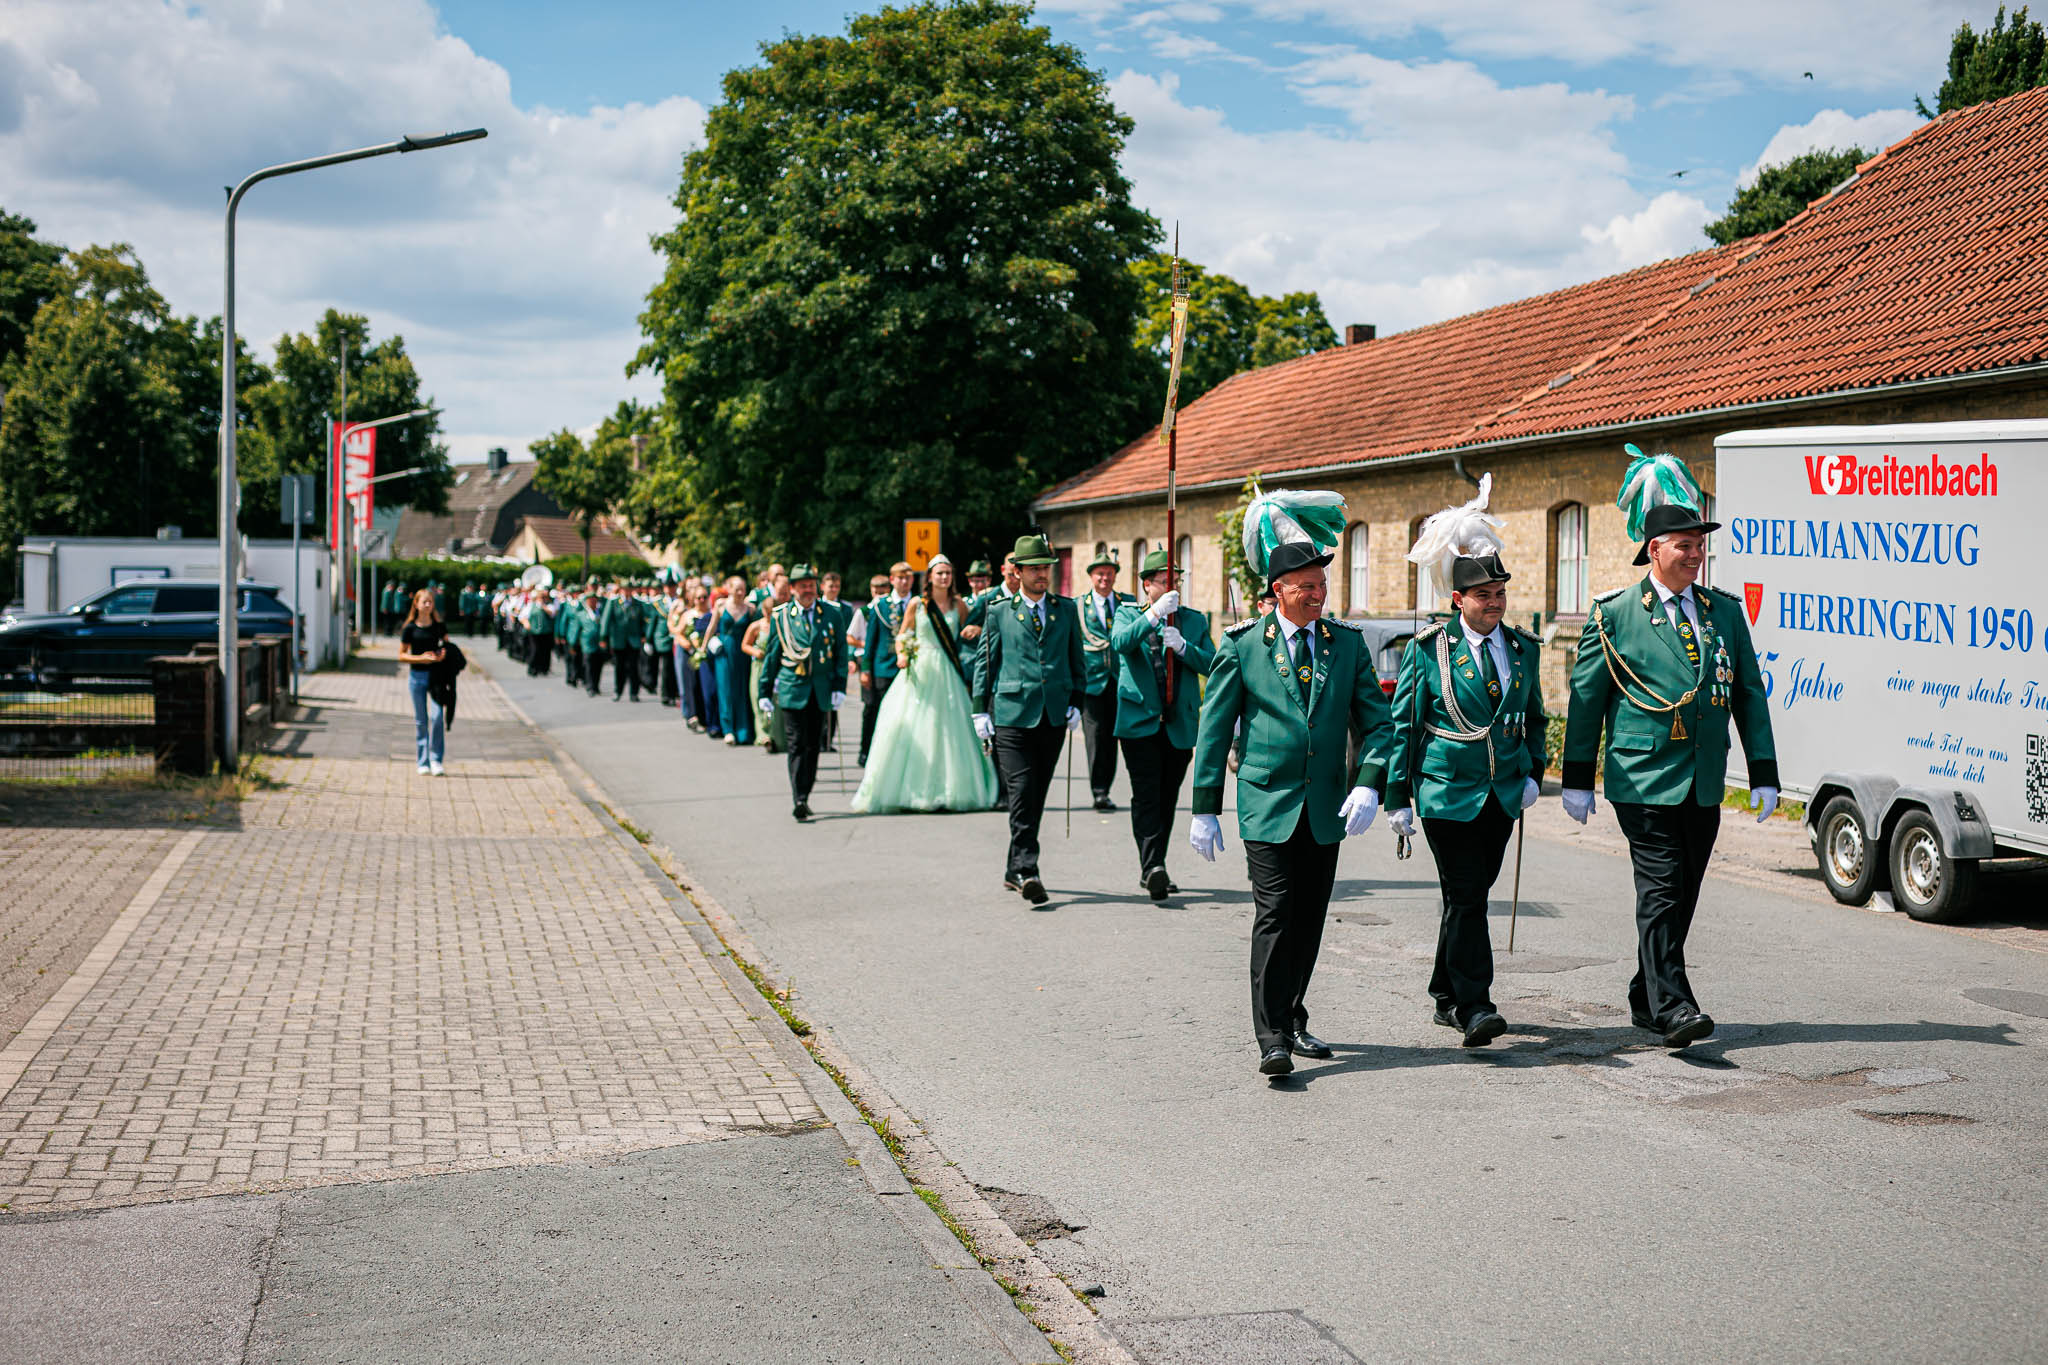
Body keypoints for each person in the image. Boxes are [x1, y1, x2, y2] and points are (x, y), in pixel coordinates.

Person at [1561, 446, 1778, 1049]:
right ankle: (1676, 1008)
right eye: (1684, 544)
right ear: (1654, 550)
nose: (1695, 553)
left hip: (1702, 776)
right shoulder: (1615, 615)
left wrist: (1762, 769)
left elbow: (1748, 694)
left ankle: (1644, 993)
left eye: (1699, 543)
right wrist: (1577, 776)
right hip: (1642, 775)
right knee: (1659, 886)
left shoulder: (1723, 613)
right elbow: (1587, 700)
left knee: (1684, 891)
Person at [1188, 490, 1395, 1077]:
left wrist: (1370, 783)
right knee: (1276, 911)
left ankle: (1295, 1015)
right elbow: (1214, 729)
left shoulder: (1346, 645)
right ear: (1277, 590)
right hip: (1267, 800)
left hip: (1327, 803)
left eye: (1321, 585)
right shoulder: (1242, 647)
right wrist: (1205, 807)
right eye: (1305, 586)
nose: (1317, 595)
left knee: (1310, 916)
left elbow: (1377, 725)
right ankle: (1271, 1034)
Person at [1384, 478, 1548, 1049]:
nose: (1495, 602)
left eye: (1500, 592)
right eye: (1483, 594)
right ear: (1459, 600)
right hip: (1446, 791)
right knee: (1469, 893)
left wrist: (1534, 773)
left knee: (1466, 897)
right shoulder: (1429, 650)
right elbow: (1402, 725)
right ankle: (1475, 1005)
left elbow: (1537, 718)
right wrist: (1395, 796)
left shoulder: (1523, 648)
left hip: (1501, 793)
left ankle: (1443, 989)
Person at [972, 534, 1085, 905]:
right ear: (1016, 572)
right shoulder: (999, 611)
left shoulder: (1065, 609)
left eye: (1045, 568)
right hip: (1011, 715)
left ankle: (1013, 867)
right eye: (1034, 569)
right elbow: (985, 662)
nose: (1041, 575)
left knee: (1035, 796)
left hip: (1052, 714)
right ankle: (1028, 870)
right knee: (1020, 792)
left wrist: (1077, 703)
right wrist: (979, 709)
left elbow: (1076, 659)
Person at [854, 554, 998, 813]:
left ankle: (949, 790)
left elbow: (966, 636)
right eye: (939, 573)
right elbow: (903, 635)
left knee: (949, 730)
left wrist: (973, 632)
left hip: (949, 671)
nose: (944, 577)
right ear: (929, 577)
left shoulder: (959, 604)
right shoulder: (918, 605)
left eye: (948, 573)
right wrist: (901, 653)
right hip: (921, 670)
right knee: (915, 726)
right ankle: (913, 791)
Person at [1110, 549, 1214, 901]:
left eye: (1177, 581)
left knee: (1167, 797)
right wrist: (1154, 615)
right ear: (1147, 586)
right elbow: (1121, 644)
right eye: (1165, 581)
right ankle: (1153, 867)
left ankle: (1155, 864)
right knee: (1146, 797)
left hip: (1178, 721)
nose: (1174, 587)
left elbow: (1215, 664)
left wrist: (1185, 648)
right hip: (1139, 723)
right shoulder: (1127, 614)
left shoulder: (1195, 620)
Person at [757, 564, 849, 820]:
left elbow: (841, 652)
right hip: (792, 688)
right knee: (796, 744)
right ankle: (799, 797)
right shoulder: (782, 616)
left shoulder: (831, 614)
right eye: (803, 586)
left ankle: (804, 792)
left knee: (812, 745)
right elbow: (772, 656)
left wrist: (839, 687)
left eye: (811, 585)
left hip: (820, 690)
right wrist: (764, 691)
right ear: (794, 589)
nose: (808, 590)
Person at [1075, 551, 1131, 812]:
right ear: (1091, 576)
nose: (1104, 578)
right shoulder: (1077, 606)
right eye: (1099, 573)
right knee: (1096, 738)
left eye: (1109, 573)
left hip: (1121, 681)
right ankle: (1100, 791)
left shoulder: (1126, 603)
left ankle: (1116, 787)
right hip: (1092, 681)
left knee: (1118, 737)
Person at [860, 562, 915, 766]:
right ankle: (868, 751)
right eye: (900, 578)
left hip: (910, 667)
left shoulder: (918, 604)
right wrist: (866, 669)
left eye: (907, 578)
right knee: (876, 711)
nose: (904, 582)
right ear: (892, 580)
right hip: (884, 667)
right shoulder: (880, 606)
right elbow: (870, 641)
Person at [397, 587, 450, 776]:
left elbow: (447, 647)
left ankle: (436, 760)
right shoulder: (409, 628)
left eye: (431, 602)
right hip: (417, 677)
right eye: (424, 602)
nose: (428, 605)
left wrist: (442, 655)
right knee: (421, 721)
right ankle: (423, 761)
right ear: (417, 605)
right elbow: (402, 655)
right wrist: (421, 658)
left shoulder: (439, 626)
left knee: (436, 717)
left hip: (437, 677)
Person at [711, 578, 759, 745]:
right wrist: (703, 649)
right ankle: (728, 729)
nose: (740, 593)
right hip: (724, 652)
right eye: (737, 589)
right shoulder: (720, 605)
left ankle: (743, 729)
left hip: (743, 653)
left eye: (743, 589)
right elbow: (712, 627)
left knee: (742, 689)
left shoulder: (751, 609)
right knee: (726, 689)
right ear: (729, 589)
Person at [523, 589, 554, 676]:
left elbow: (552, 613)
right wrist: (526, 623)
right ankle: (533, 668)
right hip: (534, 632)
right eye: (540, 597)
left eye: (544, 597)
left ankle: (544, 669)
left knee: (545, 651)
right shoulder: (531, 606)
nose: (542, 599)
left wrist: (543, 607)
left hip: (546, 631)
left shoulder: (549, 605)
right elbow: (523, 616)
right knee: (535, 650)